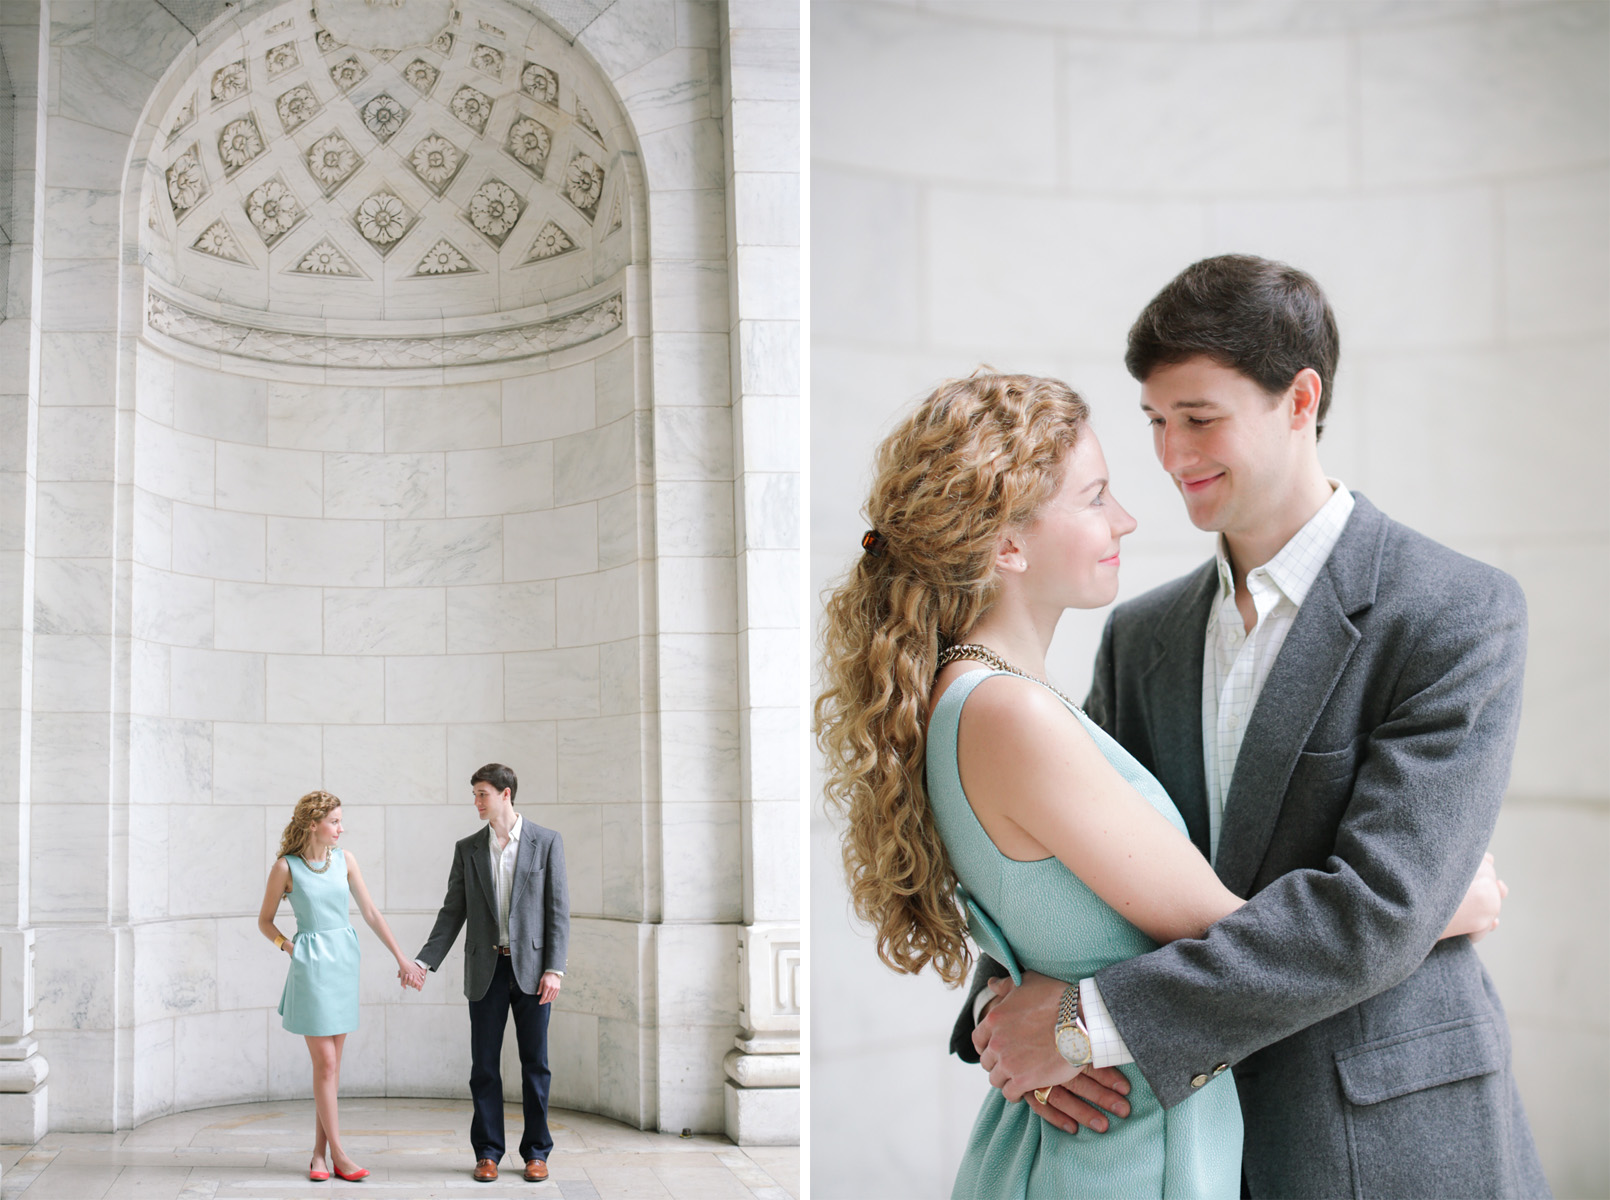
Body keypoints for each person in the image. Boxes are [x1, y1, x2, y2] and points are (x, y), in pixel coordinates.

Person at [816, 370, 1507, 1198]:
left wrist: (1036, 1011)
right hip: (1124, 1148)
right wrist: (1431, 908)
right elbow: (1231, 933)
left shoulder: (972, 698)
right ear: (1006, 541)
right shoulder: (1012, 716)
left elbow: (1051, 922)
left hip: (1119, 1123)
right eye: (1096, 497)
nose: (1127, 519)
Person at [952, 257, 1549, 1198]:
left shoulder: (1456, 612)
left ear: (1300, 399)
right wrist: (1001, 1002)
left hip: (1382, 1123)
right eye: (1155, 421)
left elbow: (1377, 911)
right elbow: (1075, 858)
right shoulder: (1141, 635)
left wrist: (1082, 1022)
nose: (1172, 453)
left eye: (1199, 418)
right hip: (1181, 1129)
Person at [258, 788, 426, 1183]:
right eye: (334, 821)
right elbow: (264, 920)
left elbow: (369, 911)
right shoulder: (286, 867)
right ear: (313, 824)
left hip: (344, 962)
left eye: (339, 820)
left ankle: (318, 1154)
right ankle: (341, 1155)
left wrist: (402, 958)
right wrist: (288, 945)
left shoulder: (345, 860)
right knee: (326, 1063)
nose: (340, 828)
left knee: (328, 1070)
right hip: (311, 966)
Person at [413, 763, 569, 1184]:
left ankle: (537, 1152)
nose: (477, 802)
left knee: (535, 1063)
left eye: (483, 793)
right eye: (475, 794)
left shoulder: (545, 842)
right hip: (485, 969)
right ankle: (487, 1153)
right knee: (483, 1065)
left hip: (535, 972)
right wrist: (424, 960)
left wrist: (554, 967)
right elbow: (453, 912)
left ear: (506, 794)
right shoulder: (468, 848)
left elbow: (557, 913)